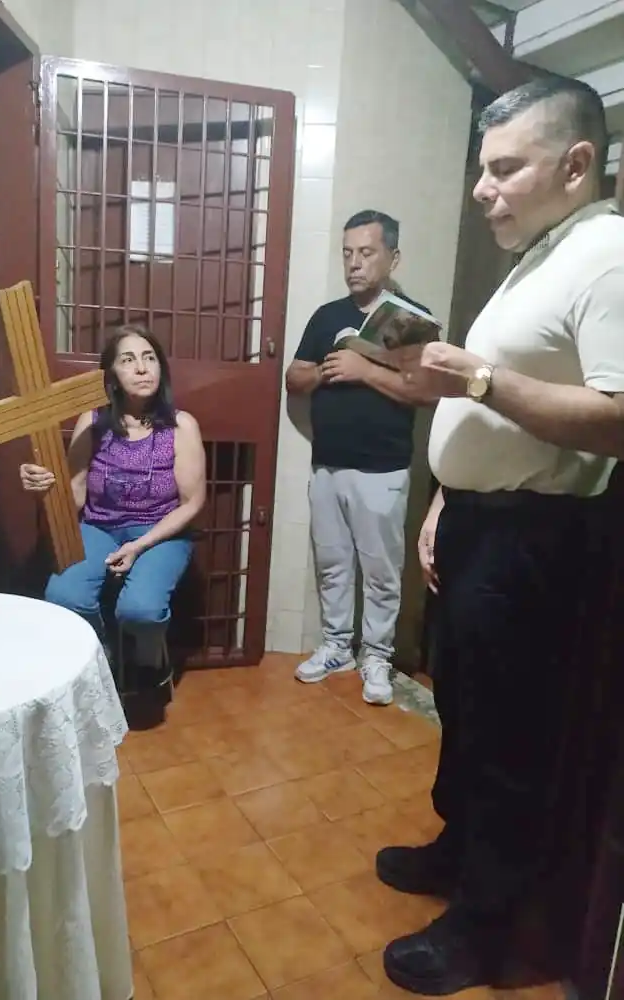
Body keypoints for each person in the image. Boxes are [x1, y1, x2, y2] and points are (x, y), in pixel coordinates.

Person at [377, 77, 624, 994]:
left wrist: (477, 380)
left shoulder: (606, 255)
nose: (483, 189)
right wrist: (448, 497)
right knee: (467, 714)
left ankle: (485, 929)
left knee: (511, 737)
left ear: (576, 163)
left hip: (535, 541)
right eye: (483, 169)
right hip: (482, 522)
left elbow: (616, 417)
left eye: (505, 168)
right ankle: (459, 852)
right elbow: (491, 416)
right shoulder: (539, 254)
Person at [285, 209, 432, 705]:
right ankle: (336, 647)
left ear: (393, 257)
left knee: (382, 572)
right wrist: (329, 369)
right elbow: (294, 377)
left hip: (383, 468)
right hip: (327, 463)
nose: (354, 263)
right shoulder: (327, 316)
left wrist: (364, 369)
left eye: (366, 253)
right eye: (347, 253)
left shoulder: (412, 320)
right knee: (332, 564)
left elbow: (424, 392)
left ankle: (377, 656)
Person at [20, 326, 206, 660]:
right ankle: (100, 653)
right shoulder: (92, 421)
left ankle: (150, 653)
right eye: (128, 360)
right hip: (98, 526)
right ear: (112, 375)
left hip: (160, 530)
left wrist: (139, 545)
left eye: (149, 358)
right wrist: (43, 489)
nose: (142, 368)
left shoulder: (181, 426)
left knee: (140, 610)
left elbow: (192, 503)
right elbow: (75, 494)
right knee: (64, 597)